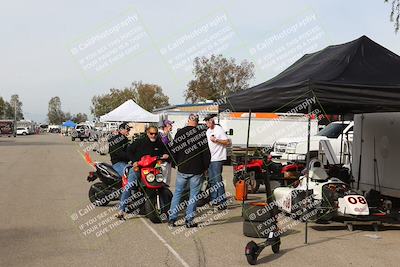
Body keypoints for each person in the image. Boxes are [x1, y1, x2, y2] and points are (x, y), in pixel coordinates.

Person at [116, 126, 169, 219]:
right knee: (129, 186)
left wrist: (166, 155)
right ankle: (121, 210)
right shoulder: (140, 141)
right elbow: (129, 150)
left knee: (162, 185)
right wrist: (134, 161)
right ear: (147, 133)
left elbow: (166, 152)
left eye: (155, 134)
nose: (153, 135)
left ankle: (167, 209)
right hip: (138, 168)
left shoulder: (159, 142)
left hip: (153, 169)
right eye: (151, 133)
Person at [168, 114, 211, 228]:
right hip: (196, 169)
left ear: (188, 121)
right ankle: (189, 220)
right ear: (197, 122)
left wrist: (176, 163)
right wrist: (206, 167)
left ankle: (172, 219)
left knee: (177, 193)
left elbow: (174, 150)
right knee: (193, 195)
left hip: (183, 168)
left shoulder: (180, 133)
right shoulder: (201, 134)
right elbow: (206, 152)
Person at [204, 114, 230, 209]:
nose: (207, 123)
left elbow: (227, 142)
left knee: (218, 180)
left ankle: (223, 202)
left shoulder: (219, 129)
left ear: (212, 121)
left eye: (209, 121)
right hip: (210, 159)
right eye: (206, 121)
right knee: (212, 181)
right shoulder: (208, 131)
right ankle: (214, 200)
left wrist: (217, 140)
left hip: (218, 159)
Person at [159, 119, 174, 185]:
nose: (171, 126)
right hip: (163, 162)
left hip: (166, 161)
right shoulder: (162, 135)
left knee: (165, 181)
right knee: (163, 181)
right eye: (170, 124)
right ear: (165, 126)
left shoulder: (165, 135)